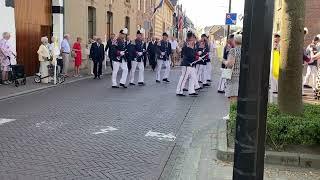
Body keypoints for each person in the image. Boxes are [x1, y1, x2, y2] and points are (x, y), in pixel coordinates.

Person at [223, 34, 242, 120]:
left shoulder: (233, 51)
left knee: (233, 96)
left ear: (234, 41)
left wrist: (224, 61)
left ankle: (232, 115)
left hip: (233, 75)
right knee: (238, 97)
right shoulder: (244, 50)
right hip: (241, 76)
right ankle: (236, 114)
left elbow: (230, 64)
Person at [176, 31, 199, 96]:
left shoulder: (192, 44)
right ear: (190, 38)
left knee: (192, 77)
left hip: (191, 64)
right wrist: (196, 57)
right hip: (187, 64)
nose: (194, 39)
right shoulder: (187, 44)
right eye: (193, 38)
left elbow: (193, 53)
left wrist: (197, 56)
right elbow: (188, 54)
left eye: (194, 38)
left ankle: (191, 91)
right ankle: (179, 91)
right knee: (183, 78)